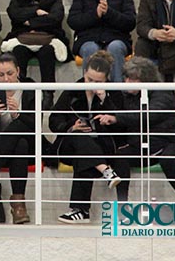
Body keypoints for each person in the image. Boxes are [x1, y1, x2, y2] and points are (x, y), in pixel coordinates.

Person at [0, 54, 51, 224]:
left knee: (20, 133)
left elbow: (37, 126)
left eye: (10, 73)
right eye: (1, 75)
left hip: (29, 146)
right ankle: (19, 205)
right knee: (19, 144)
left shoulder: (31, 89)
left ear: (18, 71)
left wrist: (18, 114)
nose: (6, 79)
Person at [49, 52, 127, 224]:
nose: (92, 84)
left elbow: (123, 124)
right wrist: (71, 126)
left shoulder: (114, 93)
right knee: (79, 137)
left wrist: (104, 100)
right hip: (70, 144)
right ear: (84, 73)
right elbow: (53, 120)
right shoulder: (72, 91)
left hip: (102, 147)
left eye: (98, 82)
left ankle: (80, 211)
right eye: (89, 79)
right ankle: (106, 171)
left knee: (84, 155)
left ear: (106, 80)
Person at [115, 56, 175, 203]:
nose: (127, 82)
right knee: (120, 157)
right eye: (126, 78)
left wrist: (117, 118)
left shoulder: (162, 93)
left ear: (146, 80)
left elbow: (148, 116)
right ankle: (122, 206)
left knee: (167, 160)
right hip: (144, 147)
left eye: (132, 79)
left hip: (171, 143)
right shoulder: (127, 96)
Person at [3, 0, 67, 106]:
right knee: (19, 51)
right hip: (22, 38)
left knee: (47, 52)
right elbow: (14, 13)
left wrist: (29, 22)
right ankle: (20, 94)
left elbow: (55, 18)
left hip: (48, 38)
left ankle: (48, 95)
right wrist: (36, 11)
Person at [67, 0, 136, 82]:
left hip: (117, 38)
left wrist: (109, 13)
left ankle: (117, 91)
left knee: (115, 48)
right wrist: (95, 14)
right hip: (88, 38)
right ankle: (90, 91)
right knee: (90, 48)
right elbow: (73, 21)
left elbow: (130, 22)